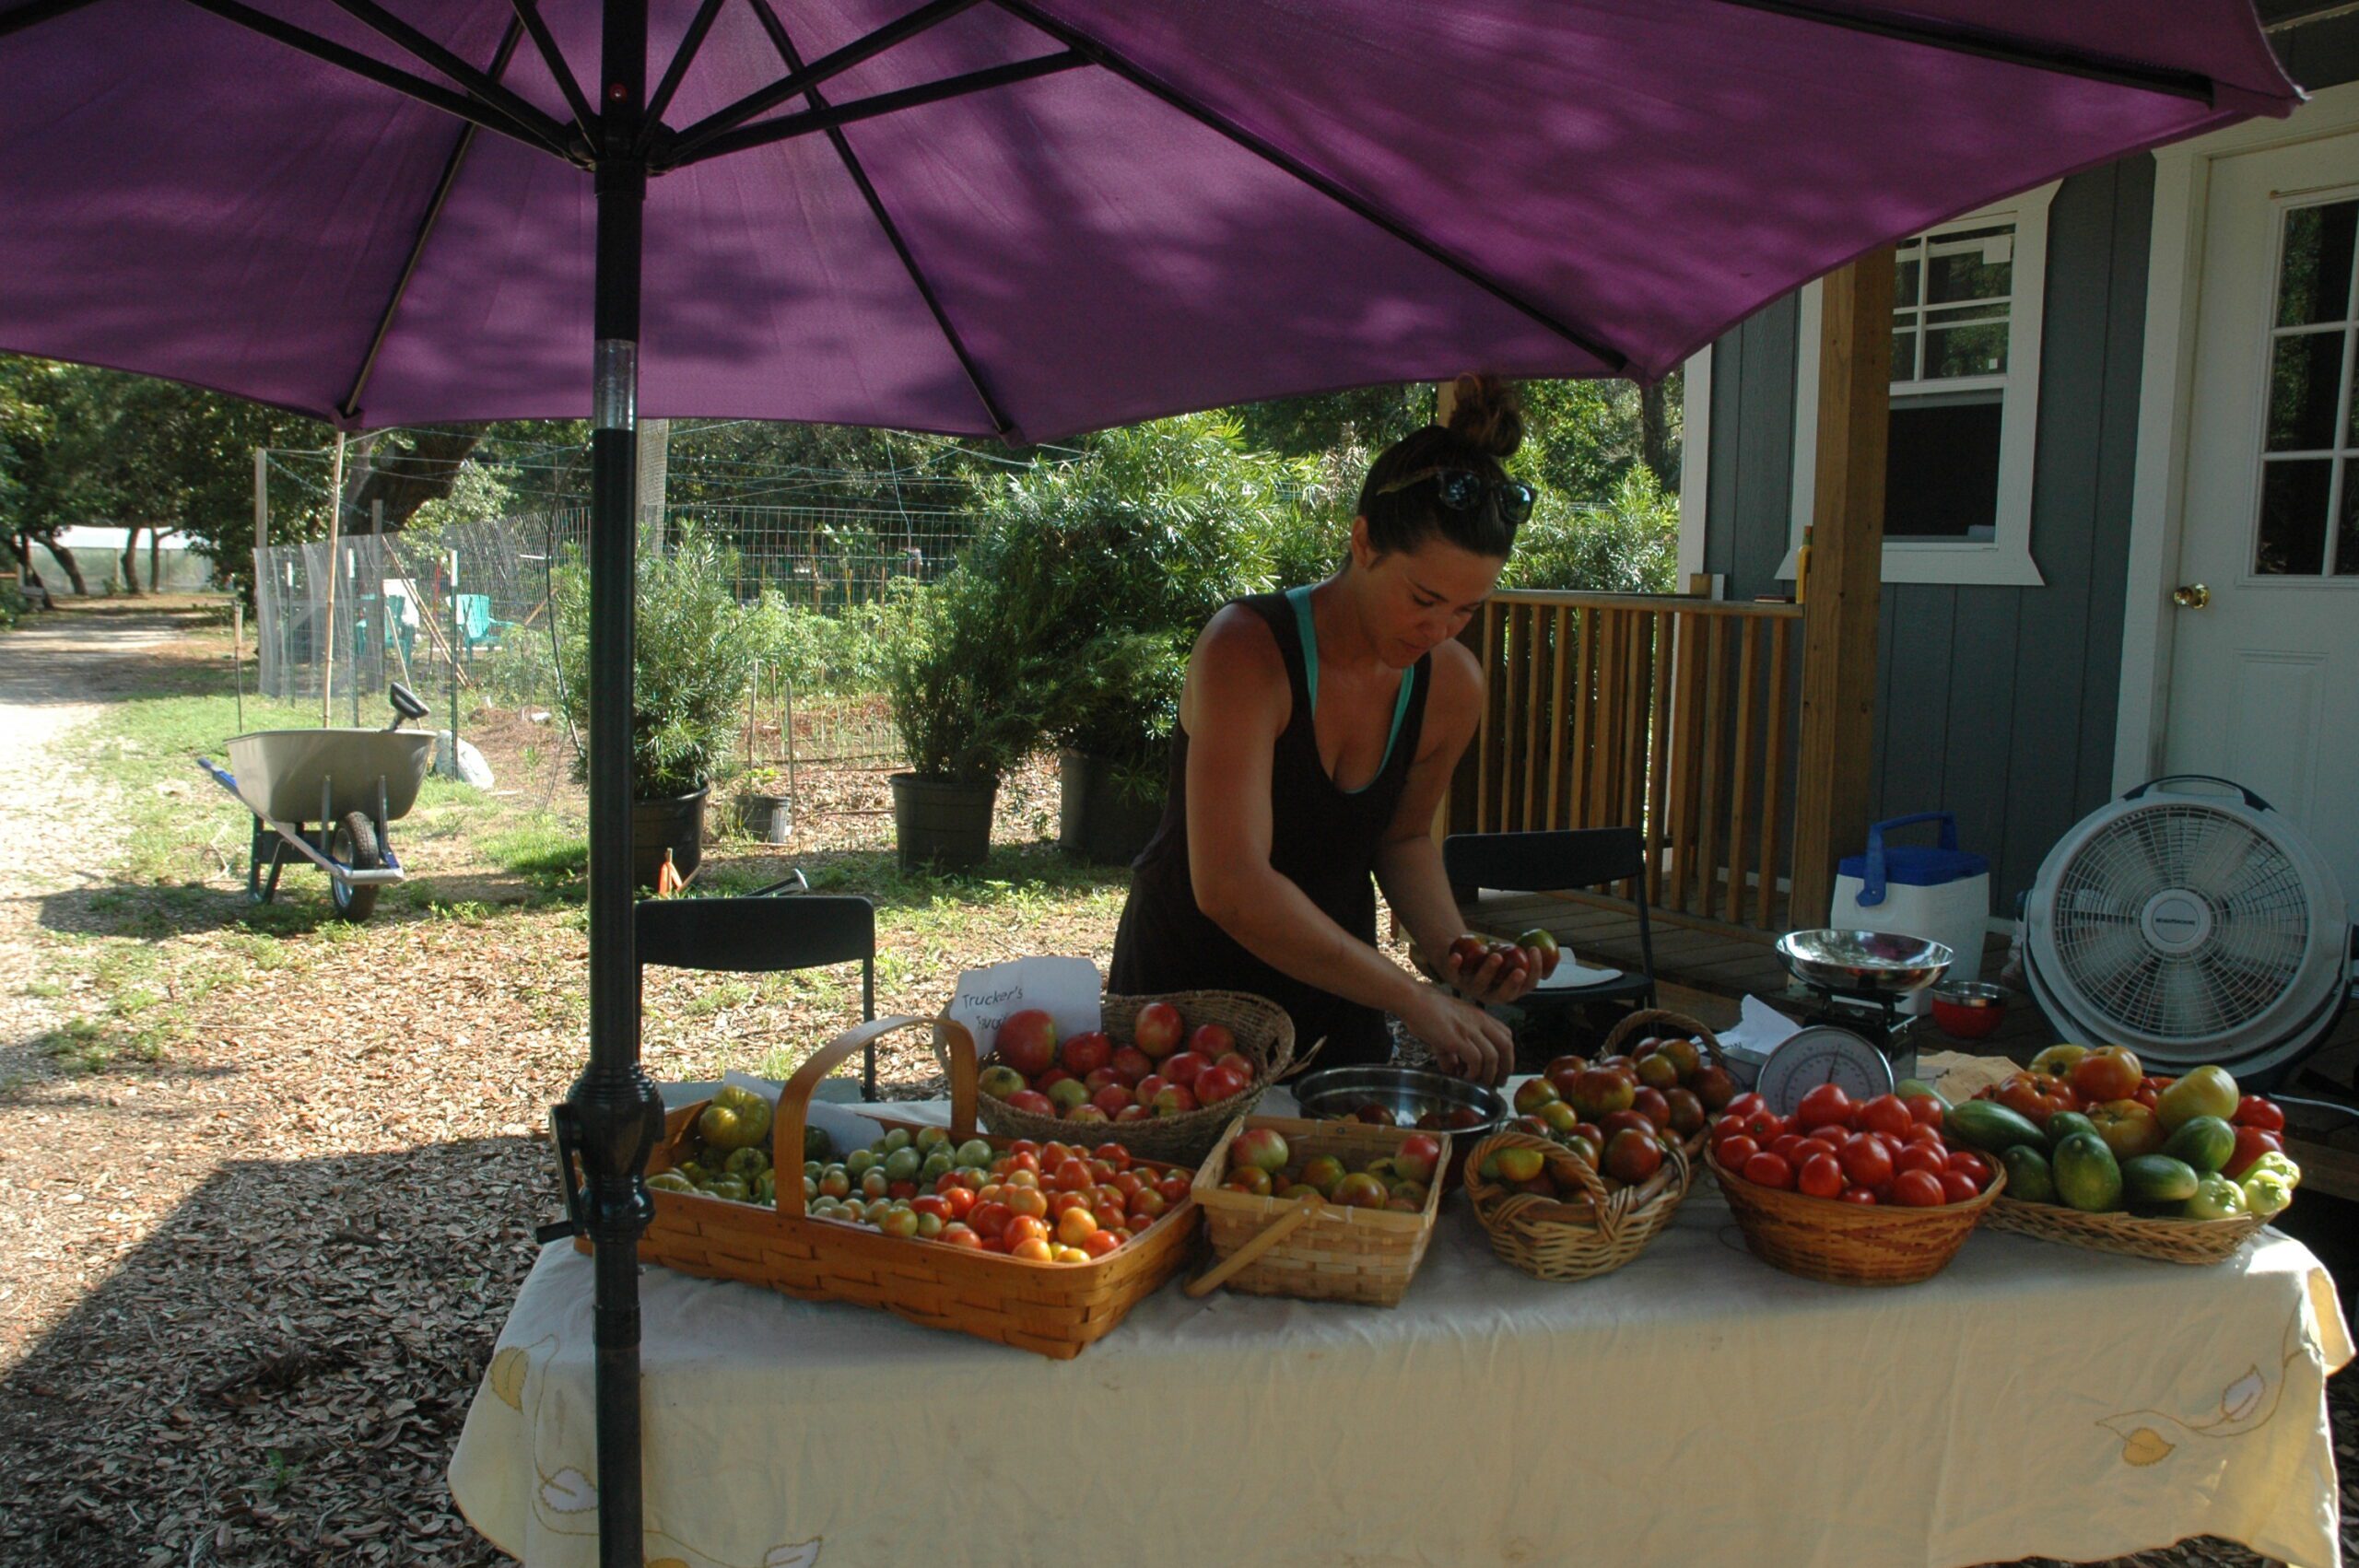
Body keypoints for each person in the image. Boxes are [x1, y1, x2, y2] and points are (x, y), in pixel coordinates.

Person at [1109, 375, 1544, 1085]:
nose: (1438, 630)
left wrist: (1459, 956)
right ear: (1364, 541)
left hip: (1338, 1002)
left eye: (1465, 610)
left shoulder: (1451, 685)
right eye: (1423, 599)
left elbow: (1401, 839)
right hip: (1187, 1005)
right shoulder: (1246, 652)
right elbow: (1230, 883)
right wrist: (1412, 999)